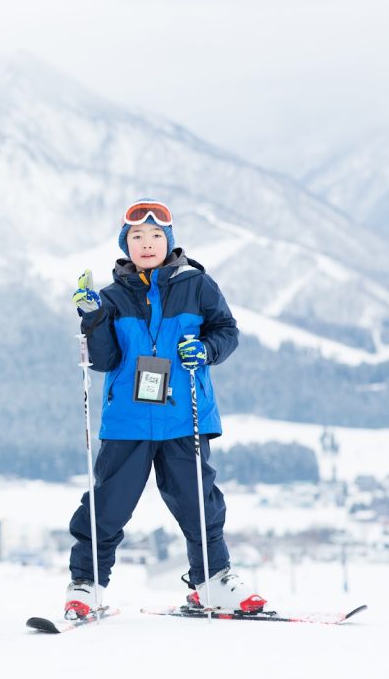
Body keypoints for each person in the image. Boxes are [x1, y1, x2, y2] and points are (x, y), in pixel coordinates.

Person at [64, 199, 266, 616]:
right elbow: (104, 361)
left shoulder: (197, 285)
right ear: (126, 244)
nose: (147, 242)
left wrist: (206, 349)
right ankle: (86, 585)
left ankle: (212, 582)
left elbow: (226, 330)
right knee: (108, 505)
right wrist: (93, 319)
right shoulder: (111, 297)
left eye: (156, 235)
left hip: (184, 415)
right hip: (128, 421)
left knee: (198, 502)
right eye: (137, 236)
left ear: (169, 241)